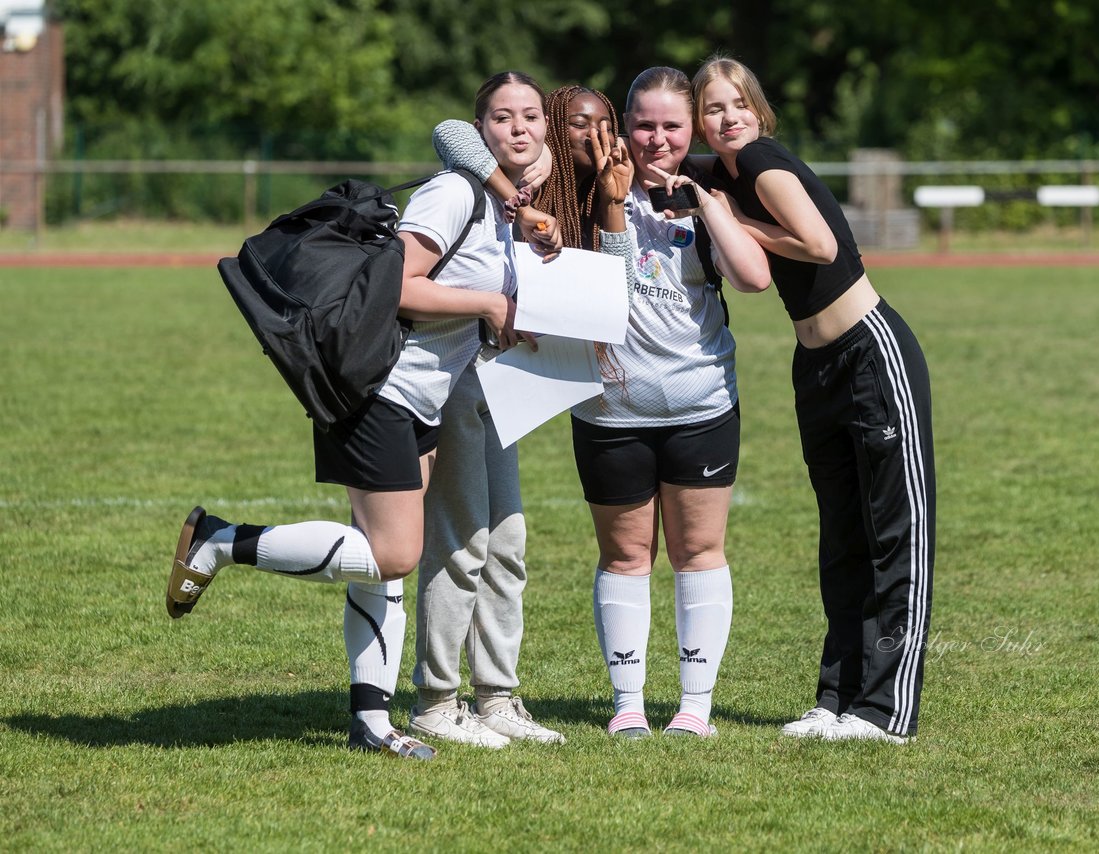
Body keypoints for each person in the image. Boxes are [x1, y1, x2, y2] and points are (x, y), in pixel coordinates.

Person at [164, 70, 548, 761]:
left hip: (419, 395)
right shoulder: (456, 190)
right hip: (380, 388)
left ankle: (372, 723)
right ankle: (219, 539)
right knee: (395, 552)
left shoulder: (505, 208)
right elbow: (400, 287)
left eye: (529, 116)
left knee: (383, 566)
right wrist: (490, 308)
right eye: (501, 117)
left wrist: (502, 321)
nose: (518, 128)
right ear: (479, 131)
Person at [440, 71, 772, 739]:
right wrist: (529, 199)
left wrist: (705, 199)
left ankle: (694, 708)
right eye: (632, 124)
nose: (640, 138)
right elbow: (453, 132)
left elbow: (755, 276)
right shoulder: (551, 187)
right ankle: (627, 705)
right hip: (608, 413)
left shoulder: (693, 190)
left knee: (699, 551)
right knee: (623, 557)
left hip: (702, 404)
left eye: (667, 126)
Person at [690, 55, 935, 744]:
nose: (729, 116)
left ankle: (885, 712)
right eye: (714, 109)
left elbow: (820, 244)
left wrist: (727, 222)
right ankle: (837, 700)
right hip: (817, 365)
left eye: (739, 103)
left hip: (869, 354)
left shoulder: (761, 160)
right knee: (843, 540)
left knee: (895, 537)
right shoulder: (727, 176)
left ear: (759, 111)